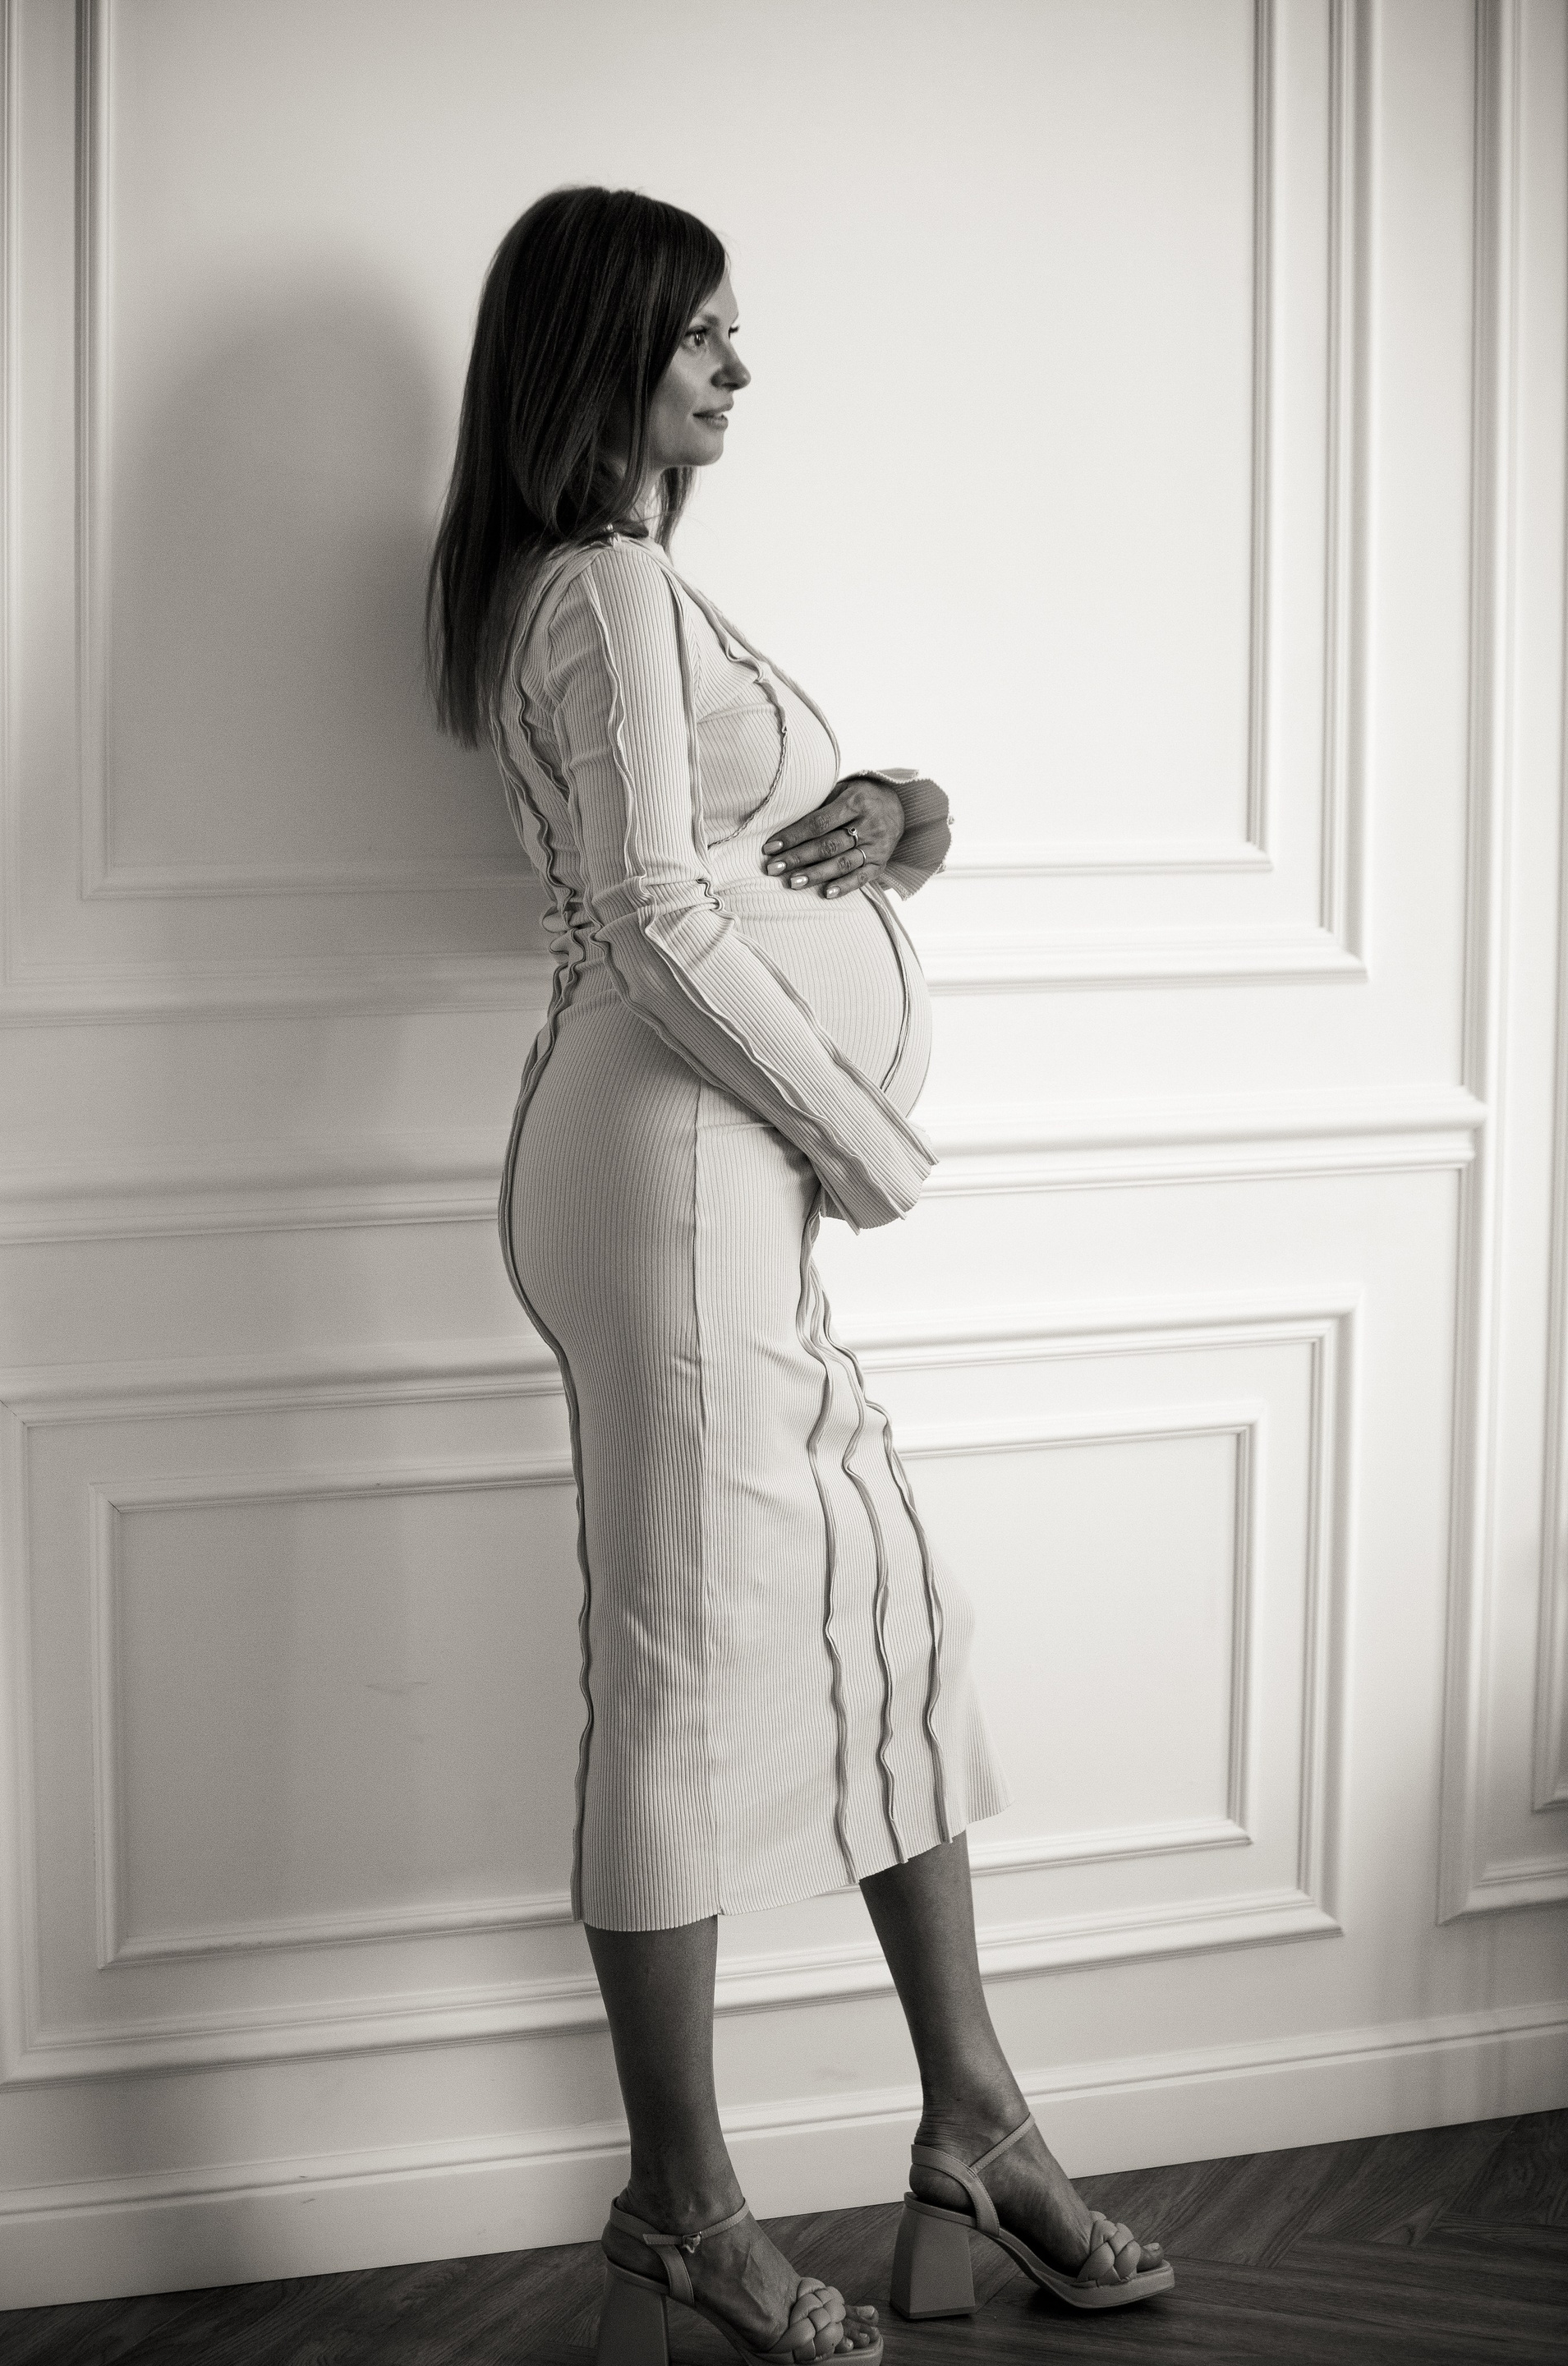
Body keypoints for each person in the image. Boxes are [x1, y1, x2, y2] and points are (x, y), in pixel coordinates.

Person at [426, 185, 1172, 2366]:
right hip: (677, 1168)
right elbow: (656, 913)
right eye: (701, 340)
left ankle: (975, 2120)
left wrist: (899, 810)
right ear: (601, 354)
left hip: (715, 1164)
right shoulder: (599, 584)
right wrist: (862, 1134)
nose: (740, 372)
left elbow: (734, 848)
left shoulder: (639, 587)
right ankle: (681, 2204)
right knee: (680, 1666)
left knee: (888, 1616)